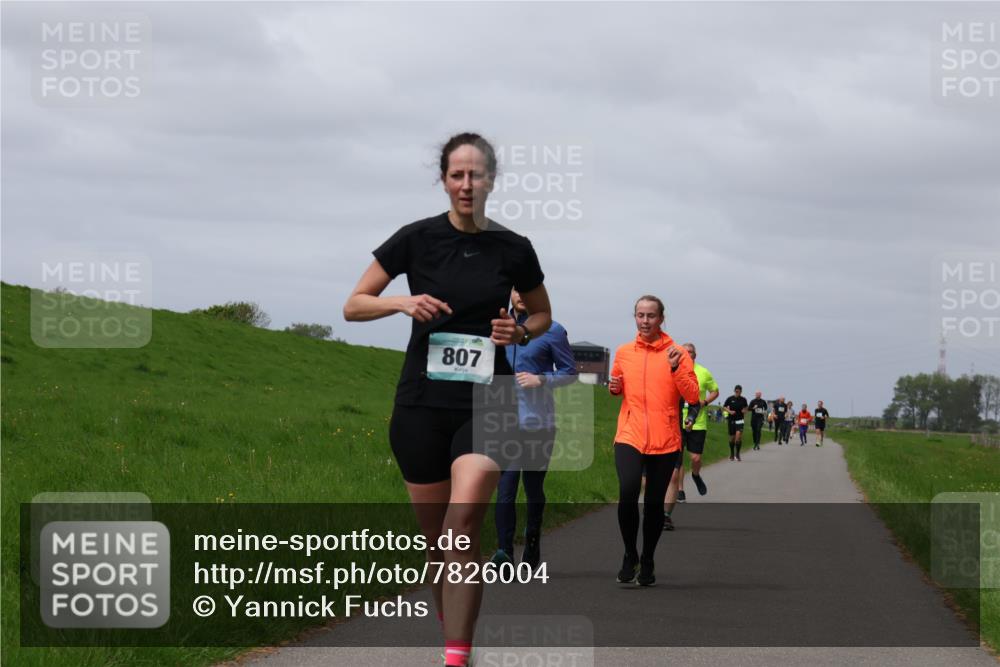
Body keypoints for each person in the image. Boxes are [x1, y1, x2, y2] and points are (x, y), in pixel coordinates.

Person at [343, 132, 552, 667]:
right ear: (443, 180)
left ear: (491, 181)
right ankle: (454, 627)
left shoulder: (515, 248)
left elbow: (541, 315)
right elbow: (353, 305)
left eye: (475, 175)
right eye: (456, 175)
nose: (466, 184)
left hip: (491, 400)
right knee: (438, 543)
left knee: (463, 524)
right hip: (421, 404)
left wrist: (520, 334)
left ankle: (455, 658)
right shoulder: (415, 239)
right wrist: (402, 302)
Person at [608, 295, 699, 586]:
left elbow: (693, 395)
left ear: (661, 319)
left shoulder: (677, 354)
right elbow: (617, 385)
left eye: (650, 316)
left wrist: (675, 368)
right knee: (629, 489)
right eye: (640, 315)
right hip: (630, 433)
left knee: (654, 504)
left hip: (665, 437)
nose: (645, 321)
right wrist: (615, 387)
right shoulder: (624, 352)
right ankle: (629, 553)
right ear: (634, 317)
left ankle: (647, 557)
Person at [491, 288, 577, 568]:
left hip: (538, 423)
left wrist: (541, 379)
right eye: (516, 289)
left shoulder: (552, 330)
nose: (521, 295)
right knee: (505, 489)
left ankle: (532, 541)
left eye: (527, 290)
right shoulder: (496, 327)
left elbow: (569, 373)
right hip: (503, 424)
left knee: (532, 488)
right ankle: (503, 552)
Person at [663, 342, 719, 530]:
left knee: (695, 458)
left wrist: (704, 401)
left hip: (698, 422)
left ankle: (695, 475)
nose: (688, 355)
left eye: (691, 353)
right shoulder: (672, 369)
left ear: (695, 355)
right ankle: (680, 491)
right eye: (685, 352)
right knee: (676, 466)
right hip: (676, 424)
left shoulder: (703, 372)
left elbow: (715, 391)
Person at [723, 385, 749, 461]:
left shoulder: (743, 399)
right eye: (736, 391)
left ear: (741, 391)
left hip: (740, 420)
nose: (737, 392)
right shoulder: (730, 399)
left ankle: (737, 454)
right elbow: (724, 407)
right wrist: (730, 411)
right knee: (732, 438)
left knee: (738, 437)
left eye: (739, 391)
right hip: (731, 420)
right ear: (734, 391)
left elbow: (746, 408)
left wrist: (745, 411)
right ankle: (731, 453)